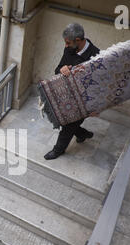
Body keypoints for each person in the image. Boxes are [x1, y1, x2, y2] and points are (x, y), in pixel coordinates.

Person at [44, 23, 101, 160]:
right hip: (68, 95)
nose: (65, 45)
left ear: (78, 40)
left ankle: (58, 150)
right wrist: (63, 69)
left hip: (84, 100)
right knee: (66, 121)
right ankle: (82, 134)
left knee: (68, 125)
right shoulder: (69, 49)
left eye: (68, 42)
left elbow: (99, 85)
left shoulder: (97, 56)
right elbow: (57, 70)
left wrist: (95, 107)